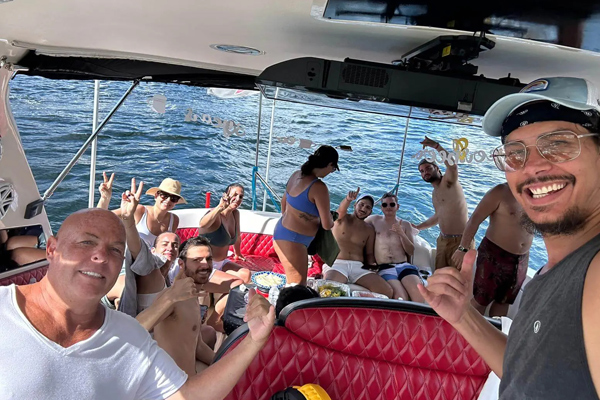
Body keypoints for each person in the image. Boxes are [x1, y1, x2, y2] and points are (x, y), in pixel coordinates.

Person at [418, 77, 600, 399]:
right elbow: (525, 372)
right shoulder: (555, 272)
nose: (533, 167)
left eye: (558, 143)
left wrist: (435, 146)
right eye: (515, 153)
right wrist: (465, 318)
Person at [0, 207, 275, 399]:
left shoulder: (127, 335)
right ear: (51, 249)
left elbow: (188, 396)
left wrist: (254, 339)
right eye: (86, 242)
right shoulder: (4, 310)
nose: (100, 256)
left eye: (114, 250)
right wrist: (130, 222)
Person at [136, 236, 220, 375]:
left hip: (190, 378)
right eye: (197, 260)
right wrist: (171, 297)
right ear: (181, 264)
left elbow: (198, 346)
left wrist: (223, 362)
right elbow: (135, 328)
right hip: (174, 387)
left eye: (209, 259)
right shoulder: (172, 297)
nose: (205, 265)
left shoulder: (191, 295)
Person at [452, 183, 533, 317]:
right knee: (480, 300)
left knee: (504, 302)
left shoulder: (536, 195)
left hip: (521, 260)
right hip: (494, 255)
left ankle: (492, 333)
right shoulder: (500, 192)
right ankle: (465, 335)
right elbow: (474, 220)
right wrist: (462, 248)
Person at [274, 145, 338, 285]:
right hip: (294, 241)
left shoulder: (296, 174)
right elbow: (327, 225)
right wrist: (333, 219)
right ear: (329, 164)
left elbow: (284, 203)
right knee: (297, 287)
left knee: (294, 285)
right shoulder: (319, 187)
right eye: (332, 169)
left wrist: (300, 217)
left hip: (281, 232)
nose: (330, 172)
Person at [323, 188, 393, 298]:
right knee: (328, 290)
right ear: (355, 205)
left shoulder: (369, 229)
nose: (364, 209)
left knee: (387, 291)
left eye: (368, 207)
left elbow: (369, 253)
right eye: (361, 204)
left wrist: (373, 267)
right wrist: (347, 199)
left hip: (359, 267)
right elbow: (341, 210)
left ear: (370, 212)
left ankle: (362, 309)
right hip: (337, 263)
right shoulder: (341, 219)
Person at [414, 138, 470, 270]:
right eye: (422, 171)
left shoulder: (449, 182)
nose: (425, 172)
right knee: (439, 276)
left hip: (460, 241)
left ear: (437, 168)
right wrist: (417, 227)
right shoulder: (435, 193)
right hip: (443, 240)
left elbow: (452, 165)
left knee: (458, 281)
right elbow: (438, 217)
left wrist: (437, 146)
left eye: (428, 168)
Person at [97, 172, 184, 247]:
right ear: (156, 195)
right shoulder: (139, 211)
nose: (168, 200)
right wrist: (105, 198)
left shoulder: (174, 220)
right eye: (164, 195)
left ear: (176, 202)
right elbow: (100, 219)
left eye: (173, 198)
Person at [366, 193, 424, 302]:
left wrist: (401, 234)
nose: (388, 207)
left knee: (419, 297)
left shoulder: (405, 225)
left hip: (404, 265)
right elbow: (357, 223)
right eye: (385, 205)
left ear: (398, 206)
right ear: (381, 207)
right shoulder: (373, 220)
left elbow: (411, 251)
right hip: (384, 267)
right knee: (400, 298)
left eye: (392, 204)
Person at [199, 184, 251, 283]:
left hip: (222, 263)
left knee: (246, 275)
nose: (238, 198)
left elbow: (238, 236)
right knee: (236, 282)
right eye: (235, 195)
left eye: (241, 196)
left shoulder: (235, 214)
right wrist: (220, 207)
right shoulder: (216, 215)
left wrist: (238, 253)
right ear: (226, 195)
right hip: (205, 264)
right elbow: (202, 224)